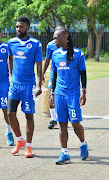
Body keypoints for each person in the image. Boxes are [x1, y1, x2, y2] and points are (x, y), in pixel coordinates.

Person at [50, 26, 88, 165]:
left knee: (75, 123)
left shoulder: (78, 54)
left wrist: (83, 91)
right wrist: (52, 93)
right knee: (62, 125)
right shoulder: (55, 54)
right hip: (59, 94)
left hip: (73, 94)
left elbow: (83, 73)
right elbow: (54, 75)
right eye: (54, 38)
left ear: (65, 36)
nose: (54, 40)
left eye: (57, 37)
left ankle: (83, 144)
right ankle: (64, 153)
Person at [7, 16, 42, 158]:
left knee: (29, 116)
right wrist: (10, 75)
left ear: (27, 27)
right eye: (16, 27)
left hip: (28, 86)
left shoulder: (35, 44)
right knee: (10, 113)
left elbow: (39, 65)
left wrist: (39, 84)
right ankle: (19, 140)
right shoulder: (11, 42)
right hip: (14, 85)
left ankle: (28, 147)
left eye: (21, 27)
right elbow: (10, 58)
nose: (18, 29)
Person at [42, 39, 58, 129]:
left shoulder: (67, 44)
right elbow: (47, 59)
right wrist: (42, 73)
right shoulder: (50, 45)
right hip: (53, 72)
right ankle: (53, 119)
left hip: (64, 73)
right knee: (51, 93)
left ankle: (63, 117)